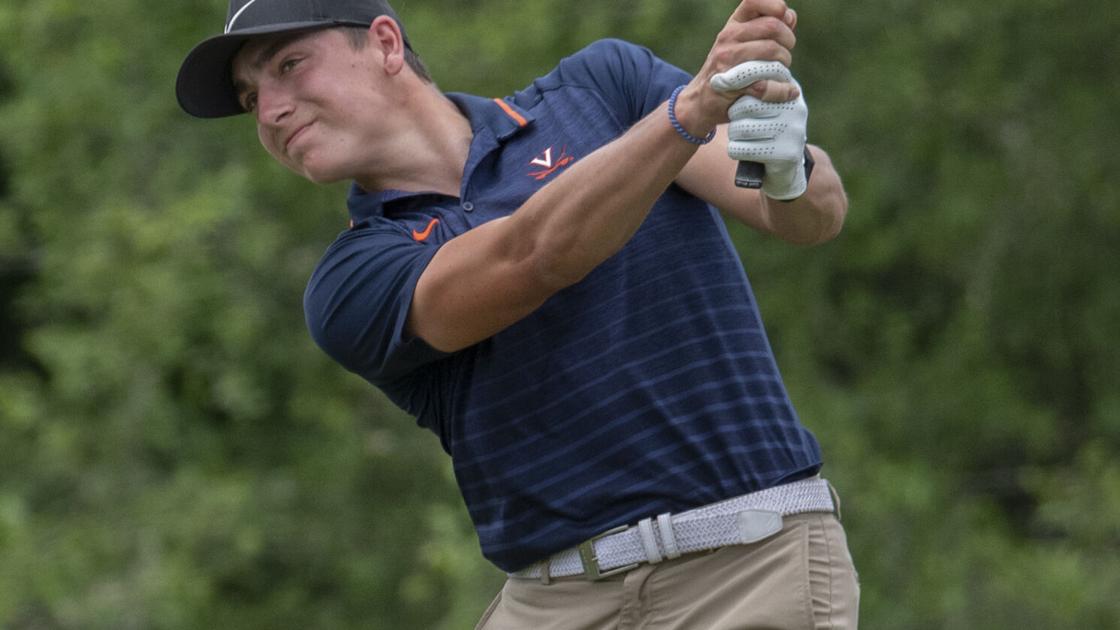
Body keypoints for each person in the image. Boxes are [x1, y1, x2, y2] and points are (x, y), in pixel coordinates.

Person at [176, 0, 858, 627]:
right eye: (251, 97)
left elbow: (810, 217)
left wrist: (788, 169)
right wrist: (685, 114)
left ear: (385, 43)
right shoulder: (351, 279)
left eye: (289, 66)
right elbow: (533, 257)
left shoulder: (602, 88)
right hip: (556, 602)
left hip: (749, 566)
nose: (269, 112)